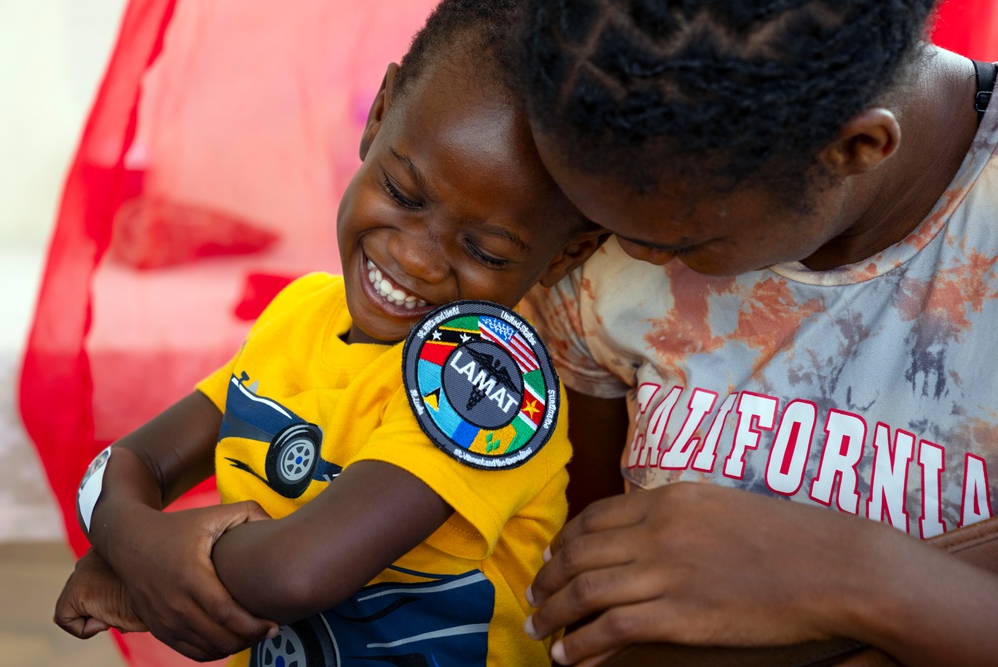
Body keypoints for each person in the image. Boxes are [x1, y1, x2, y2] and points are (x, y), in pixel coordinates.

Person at [53, 1, 607, 665]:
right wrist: (134, 539)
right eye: (404, 192)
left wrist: (141, 568)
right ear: (380, 114)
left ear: (567, 253)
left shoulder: (492, 388)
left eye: (484, 250)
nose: (418, 259)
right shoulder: (300, 313)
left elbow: (298, 571)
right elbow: (126, 464)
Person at [512, 1, 998, 665]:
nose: (616, 252)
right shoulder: (607, 198)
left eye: (682, 239)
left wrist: (846, 574)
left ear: (859, 148)